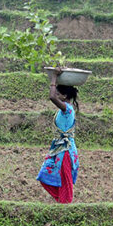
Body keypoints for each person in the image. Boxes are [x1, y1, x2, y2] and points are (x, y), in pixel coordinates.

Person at [37, 69, 79, 204]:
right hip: (59, 148)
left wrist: (54, 78)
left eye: (58, 93)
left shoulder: (67, 109)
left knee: (65, 180)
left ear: (64, 96)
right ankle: (62, 201)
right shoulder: (65, 109)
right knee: (44, 175)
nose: (56, 94)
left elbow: (51, 97)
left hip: (65, 150)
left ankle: (65, 204)